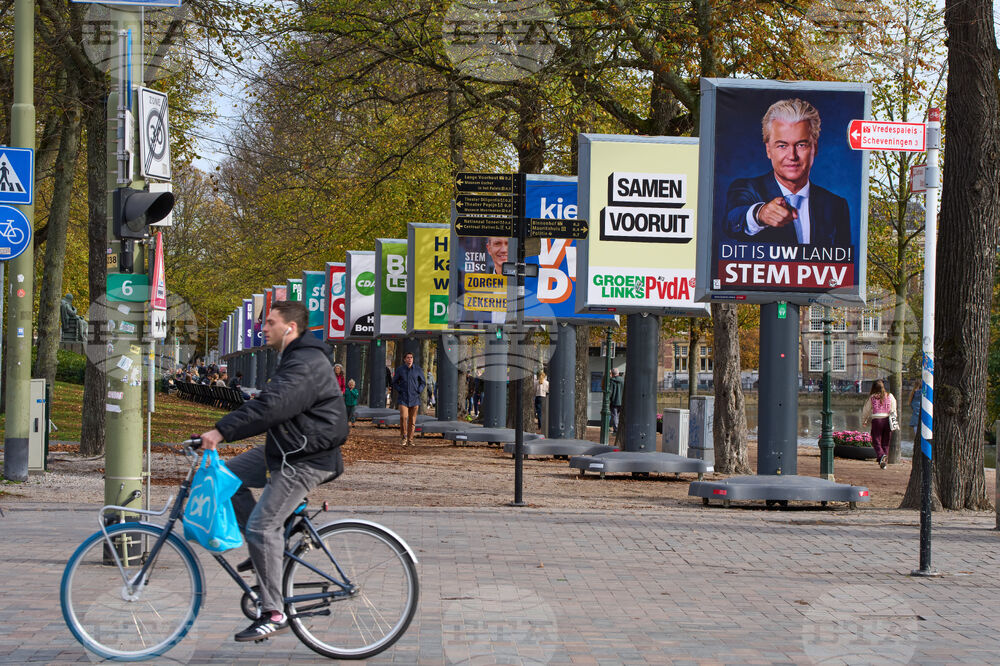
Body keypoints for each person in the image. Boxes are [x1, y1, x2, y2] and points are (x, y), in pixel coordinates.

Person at [198, 300, 348, 643]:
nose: (262, 328)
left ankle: (274, 611)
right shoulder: (293, 357)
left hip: (306, 458)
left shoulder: (305, 362)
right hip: (285, 449)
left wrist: (221, 431)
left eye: (269, 322)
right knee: (225, 477)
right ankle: (266, 550)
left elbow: (271, 406)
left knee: (262, 526)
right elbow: (270, 405)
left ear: (289, 328)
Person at [724, 98, 851, 248]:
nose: (792, 156)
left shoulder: (836, 205)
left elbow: (843, 266)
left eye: (801, 145)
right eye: (782, 146)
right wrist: (760, 214)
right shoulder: (746, 189)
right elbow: (732, 220)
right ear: (768, 150)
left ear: (814, 148)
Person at [861, 379, 897, 469]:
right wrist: (894, 420)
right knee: (886, 442)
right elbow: (893, 409)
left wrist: (864, 420)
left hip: (877, 420)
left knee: (876, 441)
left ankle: (881, 456)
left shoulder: (872, 397)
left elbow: (866, 410)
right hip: (887, 420)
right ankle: (884, 460)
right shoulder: (890, 396)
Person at [393, 352, 426, 446]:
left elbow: (423, 382)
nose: (410, 359)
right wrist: (400, 390)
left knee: (412, 420)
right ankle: (403, 436)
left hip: (414, 398)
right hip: (403, 398)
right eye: (408, 357)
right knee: (403, 417)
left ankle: (410, 439)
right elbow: (394, 382)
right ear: (404, 359)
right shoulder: (400, 370)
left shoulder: (418, 369)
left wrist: (418, 390)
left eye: (411, 357)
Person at [608, 368, 624, 433]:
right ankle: (620, 429)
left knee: (614, 415)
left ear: (612, 373)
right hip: (622, 402)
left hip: (614, 401)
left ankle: (616, 429)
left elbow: (610, 392)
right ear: (618, 373)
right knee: (619, 416)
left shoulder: (611, 381)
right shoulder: (623, 380)